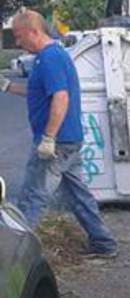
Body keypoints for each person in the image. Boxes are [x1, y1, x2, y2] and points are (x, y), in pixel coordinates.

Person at [0, 9, 117, 258]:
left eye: (20, 37)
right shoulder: (50, 56)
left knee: (32, 196)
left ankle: (14, 257)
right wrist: (8, 86)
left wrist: (48, 137)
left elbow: (60, 98)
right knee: (78, 196)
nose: (18, 43)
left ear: (34, 31)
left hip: (56, 142)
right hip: (69, 140)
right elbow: (38, 92)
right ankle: (104, 244)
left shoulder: (50, 58)